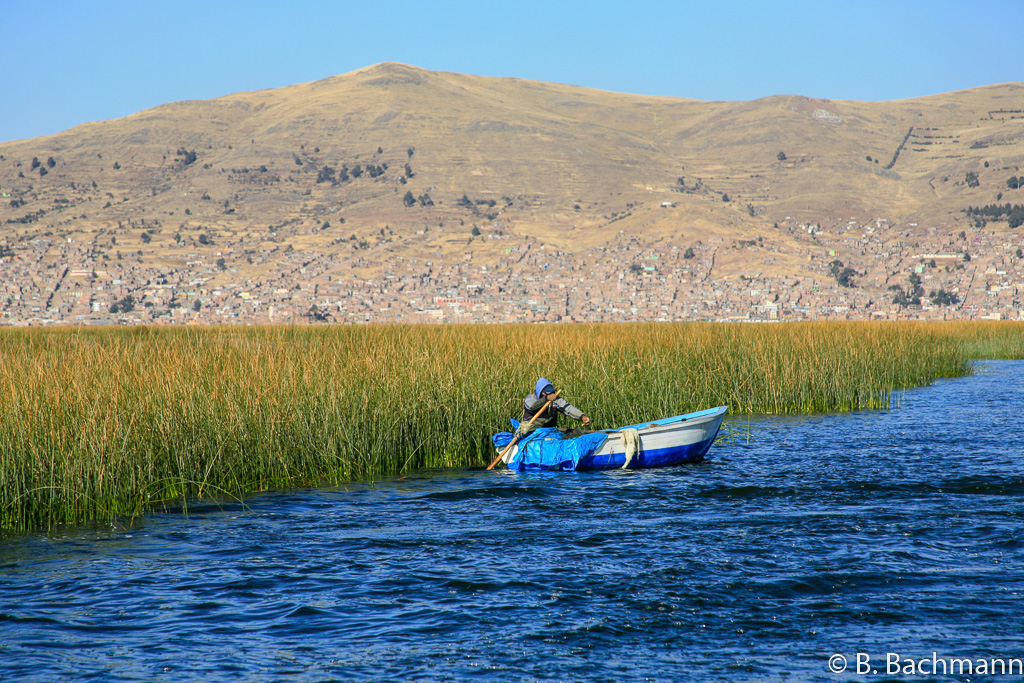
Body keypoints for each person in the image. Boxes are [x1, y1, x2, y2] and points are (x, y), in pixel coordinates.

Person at [521, 377, 591, 435]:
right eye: (547, 393)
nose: (551, 395)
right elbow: (531, 407)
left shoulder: (555, 399)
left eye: (551, 393)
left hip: (550, 432)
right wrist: (546, 399)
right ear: (540, 392)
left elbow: (568, 409)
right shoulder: (530, 399)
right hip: (531, 432)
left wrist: (581, 416)